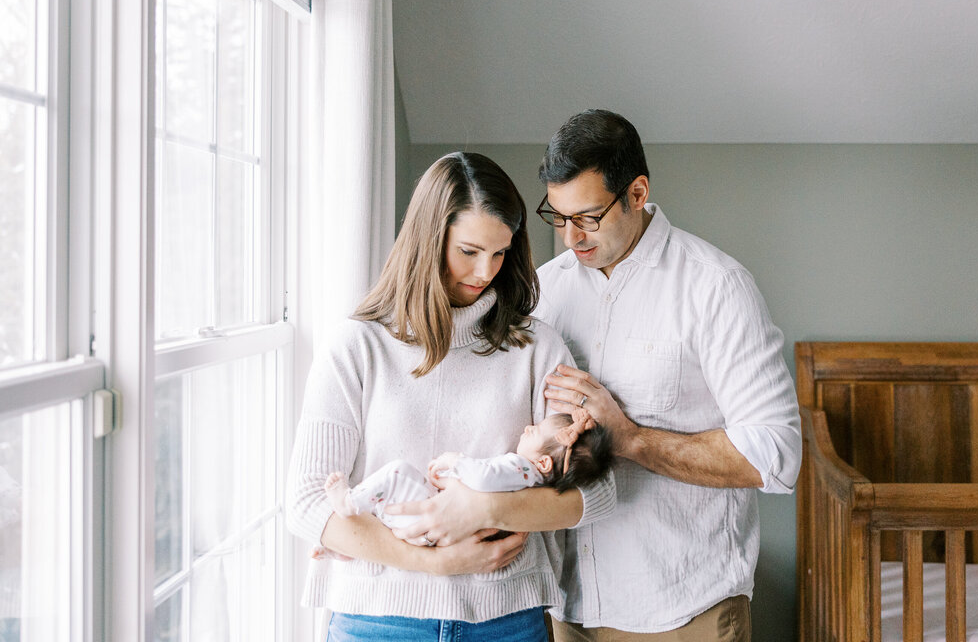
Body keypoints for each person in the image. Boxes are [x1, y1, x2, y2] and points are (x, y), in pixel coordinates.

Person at [285, 152, 615, 642]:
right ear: (427, 239)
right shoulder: (355, 347)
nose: (486, 271)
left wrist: (484, 510)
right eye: (469, 250)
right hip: (377, 622)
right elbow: (308, 503)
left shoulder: (536, 347)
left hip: (507, 622)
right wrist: (437, 561)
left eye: (501, 252)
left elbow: (595, 492)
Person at [532, 109, 803, 641]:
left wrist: (629, 439)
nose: (570, 238)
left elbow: (776, 454)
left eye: (587, 217)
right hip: (566, 609)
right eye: (558, 217)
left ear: (636, 193)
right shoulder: (544, 292)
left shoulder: (716, 288)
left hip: (686, 612)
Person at [313, 410, 613, 561]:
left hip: (437, 518)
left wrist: (455, 461)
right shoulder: (532, 487)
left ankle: (350, 503)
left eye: (534, 431)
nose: (527, 427)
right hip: (446, 533)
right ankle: (348, 551)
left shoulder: (520, 468)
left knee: (397, 475)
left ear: (544, 464)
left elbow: (482, 477)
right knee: (391, 506)